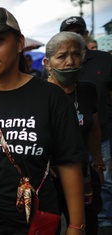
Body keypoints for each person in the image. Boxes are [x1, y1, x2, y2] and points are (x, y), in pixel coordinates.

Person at [0, 7, 86, 234]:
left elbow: (69, 162)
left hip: (38, 218)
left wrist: (76, 225)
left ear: (19, 43)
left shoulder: (51, 97)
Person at [45, 31, 105, 235]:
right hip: (49, 180)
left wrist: (97, 162)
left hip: (84, 175)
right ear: (47, 62)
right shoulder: (38, 96)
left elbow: (94, 128)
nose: (70, 61)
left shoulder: (88, 90)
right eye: (61, 56)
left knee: (86, 226)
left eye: (76, 54)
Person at [60, 16, 112, 234]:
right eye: (70, 33)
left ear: (86, 34)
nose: (70, 61)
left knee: (105, 182)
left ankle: (105, 222)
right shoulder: (58, 65)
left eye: (79, 32)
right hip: (70, 145)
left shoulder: (104, 60)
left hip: (102, 135)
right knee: (75, 189)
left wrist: (98, 158)